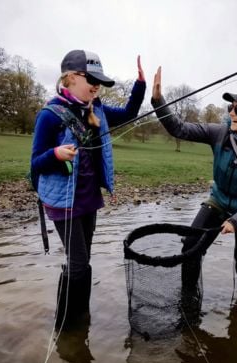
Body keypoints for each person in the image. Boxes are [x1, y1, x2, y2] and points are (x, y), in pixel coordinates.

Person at [151, 67, 237, 299]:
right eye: (230, 107)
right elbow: (178, 128)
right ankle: (189, 300)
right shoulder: (219, 132)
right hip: (218, 201)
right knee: (191, 248)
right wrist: (158, 101)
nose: (232, 113)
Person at [31, 50, 146, 328]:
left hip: (89, 199)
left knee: (82, 263)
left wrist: (140, 85)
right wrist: (55, 155)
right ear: (70, 77)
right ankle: (66, 325)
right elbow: (35, 164)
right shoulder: (50, 115)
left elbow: (130, 113)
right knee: (79, 264)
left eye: (100, 81)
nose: (96, 86)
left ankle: (80, 319)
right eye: (91, 78)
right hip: (63, 203)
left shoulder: (98, 109)